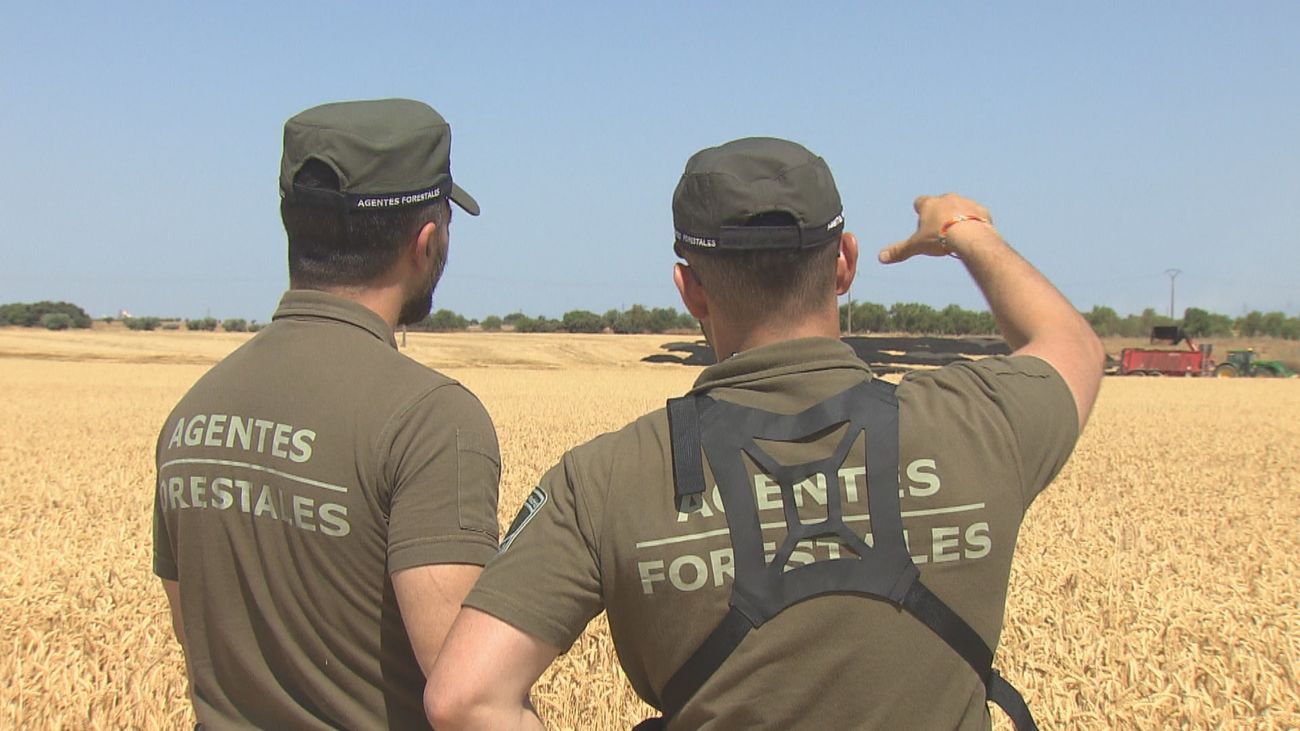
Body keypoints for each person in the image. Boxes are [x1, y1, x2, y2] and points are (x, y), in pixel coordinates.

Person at [425, 137, 1105, 730]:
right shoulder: (977, 419)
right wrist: (962, 228)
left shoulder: (603, 478)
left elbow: (465, 698)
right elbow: (1071, 343)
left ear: (690, 290)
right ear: (845, 262)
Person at [152, 98, 501, 730]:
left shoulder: (192, 412)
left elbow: (193, 629)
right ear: (427, 242)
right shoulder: (431, 420)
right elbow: (469, 696)